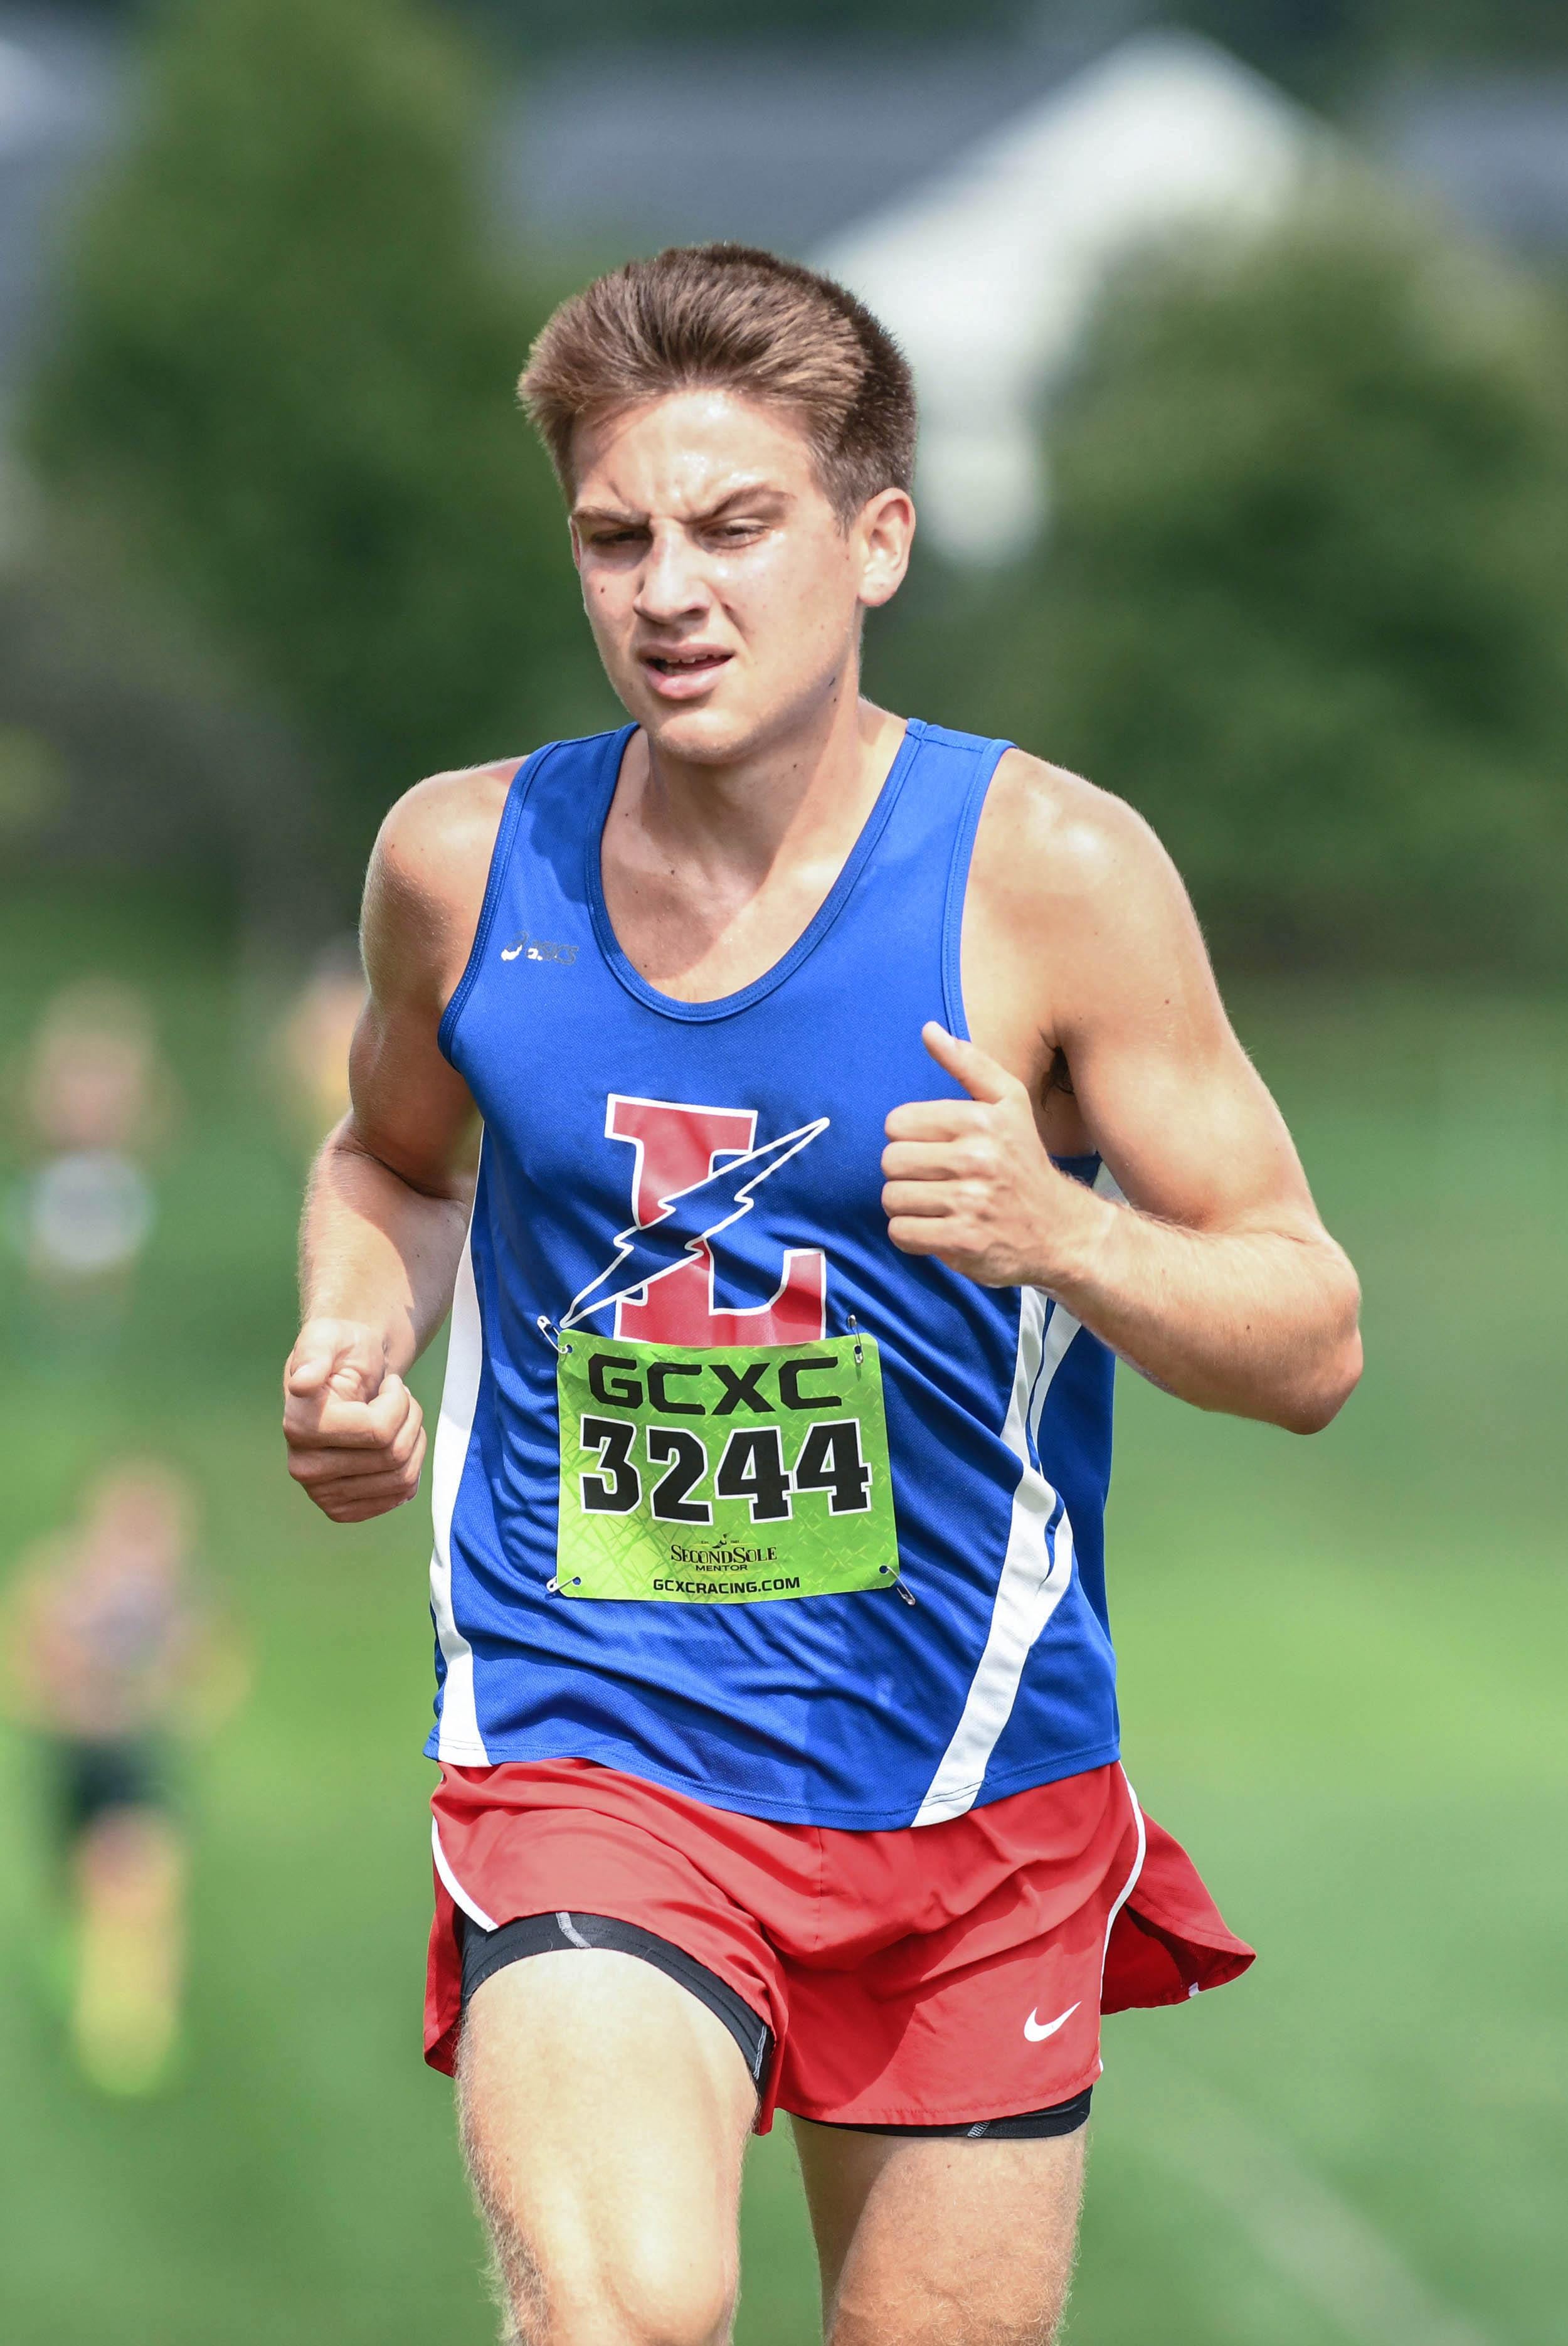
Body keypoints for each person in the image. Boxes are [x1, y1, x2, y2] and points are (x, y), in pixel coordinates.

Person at [282, 245, 1362, 2345]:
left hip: (974, 1783)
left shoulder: (1053, 876)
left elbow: (1309, 1333)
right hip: (594, 1732)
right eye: (616, 539)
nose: (668, 592)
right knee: (630, 2309)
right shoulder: (462, 866)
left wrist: (1065, 1234)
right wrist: (352, 1332)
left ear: (876, 542)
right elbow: (391, 1164)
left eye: (732, 527)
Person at [3, 1461, 243, 2094]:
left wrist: (171, 1700)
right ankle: (86, 1963)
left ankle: (134, 2023)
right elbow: (24, 1664)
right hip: (78, 1761)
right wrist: (69, 1698)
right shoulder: (61, 1585)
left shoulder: (176, 1599)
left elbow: (212, 1668)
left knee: (147, 1877)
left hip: (140, 1764)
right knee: (85, 1881)